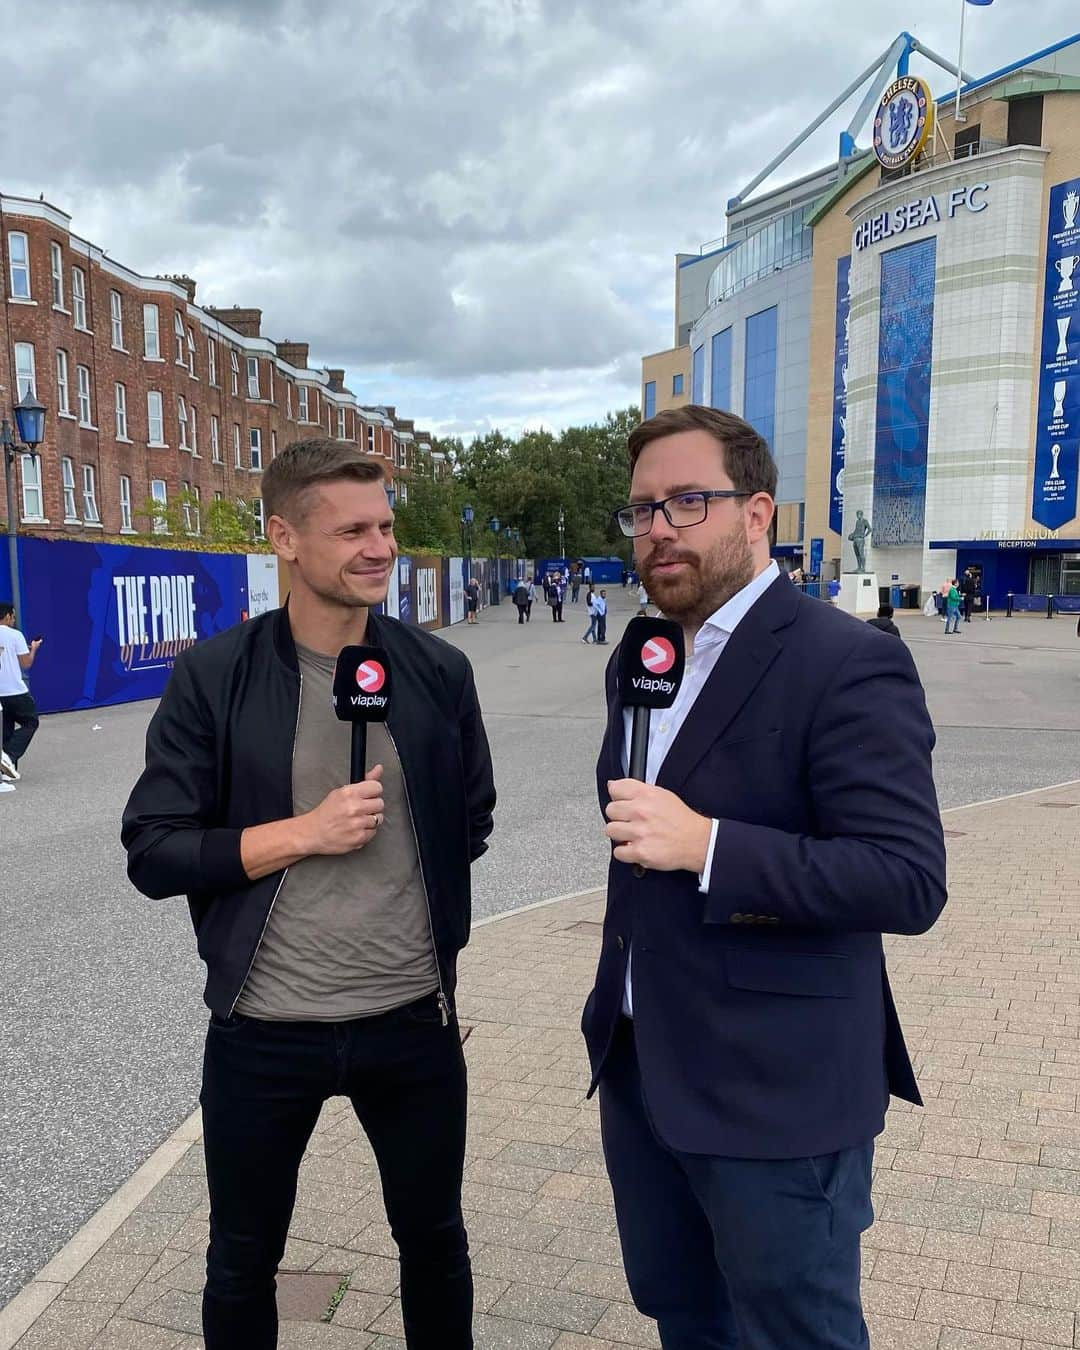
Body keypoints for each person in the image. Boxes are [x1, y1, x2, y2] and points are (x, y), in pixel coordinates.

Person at [584, 405, 946, 1350]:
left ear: (757, 514)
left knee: (794, 1334)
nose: (658, 527)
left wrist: (710, 847)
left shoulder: (848, 661)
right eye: (642, 509)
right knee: (687, 1320)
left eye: (686, 502)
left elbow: (906, 878)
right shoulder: (643, 656)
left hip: (776, 1093)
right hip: (643, 1067)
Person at [122, 440, 496, 1350]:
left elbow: (470, 819)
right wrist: (303, 835)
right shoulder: (216, 676)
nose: (380, 548)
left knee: (435, 1242)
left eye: (387, 527)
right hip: (265, 1029)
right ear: (284, 537)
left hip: (411, 1021)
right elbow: (154, 849)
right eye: (353, 531)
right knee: (242, 1259)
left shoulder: (437, 672)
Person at [0, 604, 42, 781]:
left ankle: (5, 772)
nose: (14, 620)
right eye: (13, 616)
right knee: (31, 722)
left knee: (6, 728)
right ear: (8, 616)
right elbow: (26, 664)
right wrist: (33, 649)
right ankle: (7, 755)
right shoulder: (15, 634)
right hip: (15, 690)